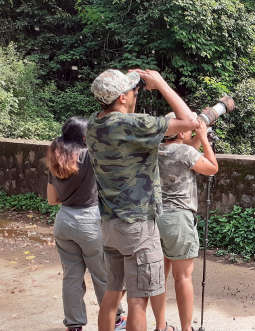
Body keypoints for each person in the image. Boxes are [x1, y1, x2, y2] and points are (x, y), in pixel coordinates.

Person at [86, 68, 201, 331]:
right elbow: (189, 122)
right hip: (137, 227)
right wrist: (161, 83)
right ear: (123, 98)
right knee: (139, 299)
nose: (135, 94)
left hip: (110, 224)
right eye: (132, 90)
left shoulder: (94, 124)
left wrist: (124, 83)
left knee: (113, 292)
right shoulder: (132, 125)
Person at [46, 117, 127, 331]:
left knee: (71, 276)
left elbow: (52, 200)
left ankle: (74, 325)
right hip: (90, 222)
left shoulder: (55, 160)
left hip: (63, 221)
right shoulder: (90, 156)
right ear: (84, 137)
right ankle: (116, 320)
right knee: (102, 275)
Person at [149, 112, 220, 331]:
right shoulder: (185, 152)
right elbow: (211, 167)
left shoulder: (153, 150)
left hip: (154, 219)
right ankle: (186, 328)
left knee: (159, 277)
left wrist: (196, 135)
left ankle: (160, 326)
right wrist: (205, 138)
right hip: (178, 220)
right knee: (183, 278)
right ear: (180, 131)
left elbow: (187, 150)